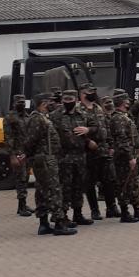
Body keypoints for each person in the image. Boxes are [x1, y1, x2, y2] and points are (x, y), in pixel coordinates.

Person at [24, 93, 76, 236]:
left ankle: (44, 224)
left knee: (42, 191)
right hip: (45, 159)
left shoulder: (42, 118)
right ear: (43, 103)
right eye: (49, 102)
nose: (52, 104)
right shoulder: (37, 119)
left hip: (46, 158)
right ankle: (59, 223)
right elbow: (30, 140)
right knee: (54, 190)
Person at [52, 89, 95, 226]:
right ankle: (62, 215)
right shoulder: (55, 116)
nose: (68, 103)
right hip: (64, 157)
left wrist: (88, 132)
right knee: (65, 187)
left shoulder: (82, 114)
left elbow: (96, 127)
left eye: (71, 100)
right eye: (66, 100)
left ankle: (78, 214)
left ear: (76, 100)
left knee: (79, 186)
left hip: (80, 156)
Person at [108, 89, 139, 223]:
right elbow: (122, 140)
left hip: (130, 154)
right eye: (127, 101)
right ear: (122, 102)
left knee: (133, 183)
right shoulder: (117, 118)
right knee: (124, 184)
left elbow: (133, 135)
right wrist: (130, 157)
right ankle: (125, 212)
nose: (128, 103)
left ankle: (137, 209)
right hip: (123, 157)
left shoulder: (126, 116)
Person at [79, 84, 118, 220]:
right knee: (90, 182)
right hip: (89, 152)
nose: (93, 94)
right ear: (83, 94)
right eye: (90, 92)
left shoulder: (98, 108)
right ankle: (95, 210)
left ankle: (111, 207)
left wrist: (111, 144)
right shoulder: (79, 110)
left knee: (108, 180)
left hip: (104, 149)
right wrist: (88, 141)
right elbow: (77, 130)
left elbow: (105, 127)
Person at [3, 94, 35, 216]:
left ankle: (24, 204)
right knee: (20, 179)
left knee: (25, 178)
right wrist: (12, 155)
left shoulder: (27, 116)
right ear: (14, 103)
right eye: (19, 102)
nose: (21, 104)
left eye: (23, 102)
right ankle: (21, 207)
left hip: (26, 153)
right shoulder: (10, 118)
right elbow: (8, 138)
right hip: (18, 153)